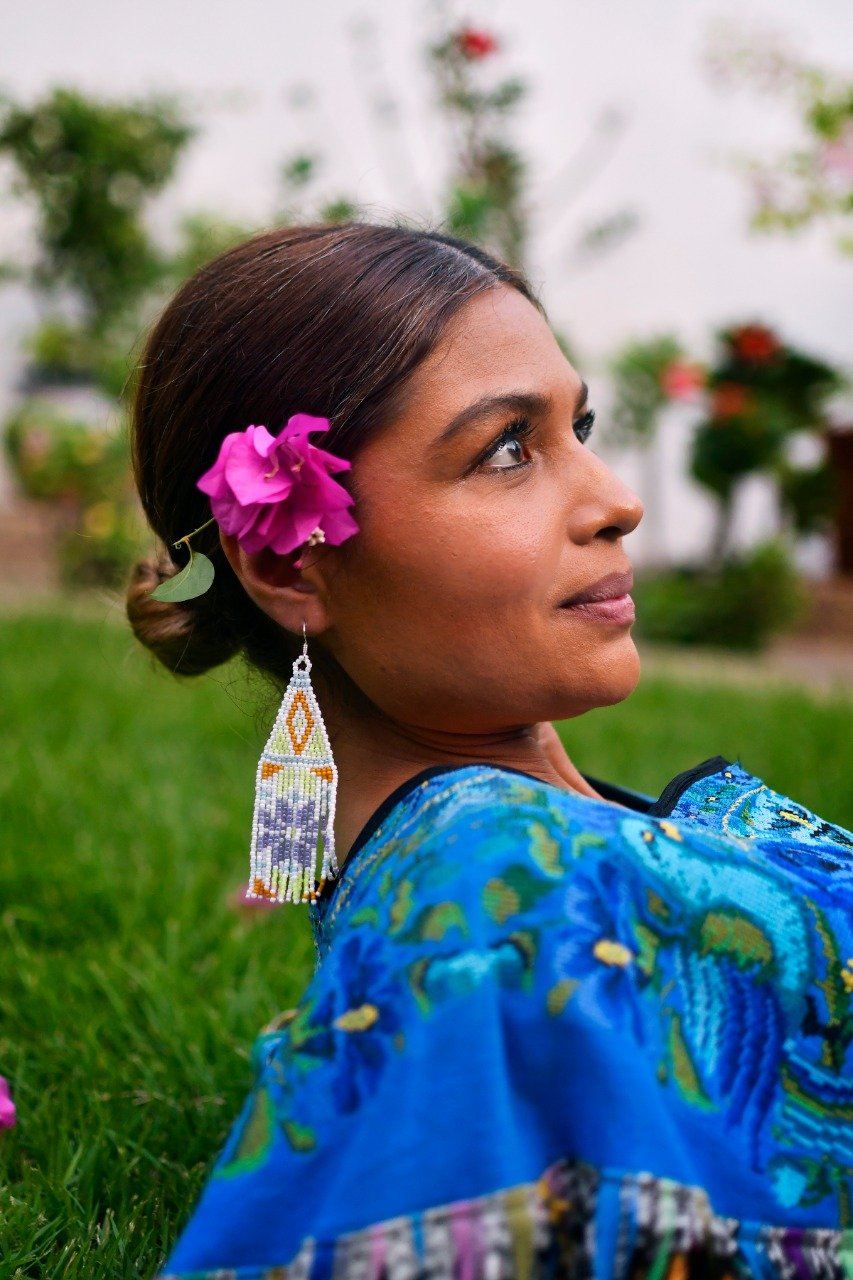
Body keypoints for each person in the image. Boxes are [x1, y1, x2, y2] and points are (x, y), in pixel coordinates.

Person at [126, 222, 853, 1280]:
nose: (616, 499)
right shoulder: (497, 906)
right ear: (291, 566)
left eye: (579, 426)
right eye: (507, 448)